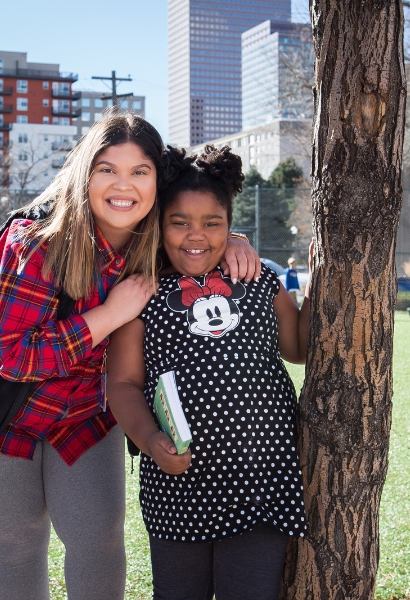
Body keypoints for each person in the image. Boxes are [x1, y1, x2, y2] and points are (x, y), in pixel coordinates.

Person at [0, 115, 261, 600]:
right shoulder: (33, 243)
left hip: (82, 407)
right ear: (84, 172)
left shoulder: (151, 241)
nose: (124, 186)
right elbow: (12, 357)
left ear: (157, 184)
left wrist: (233, 242)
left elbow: (197, 236)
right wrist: (108, 313)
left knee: (98, 540)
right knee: (19, 542)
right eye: (107, 169)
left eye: (140, 171)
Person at [107, 145, 309, 600]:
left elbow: (298, 347)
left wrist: (322, 275)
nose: (195, 235)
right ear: (158, 224)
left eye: (212, 223)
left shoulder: (256, 279)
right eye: (179, 222)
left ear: (230, 225)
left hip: (262, 484)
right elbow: (122, 384)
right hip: (178, 491)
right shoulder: (142, 292)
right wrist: (148, 439)